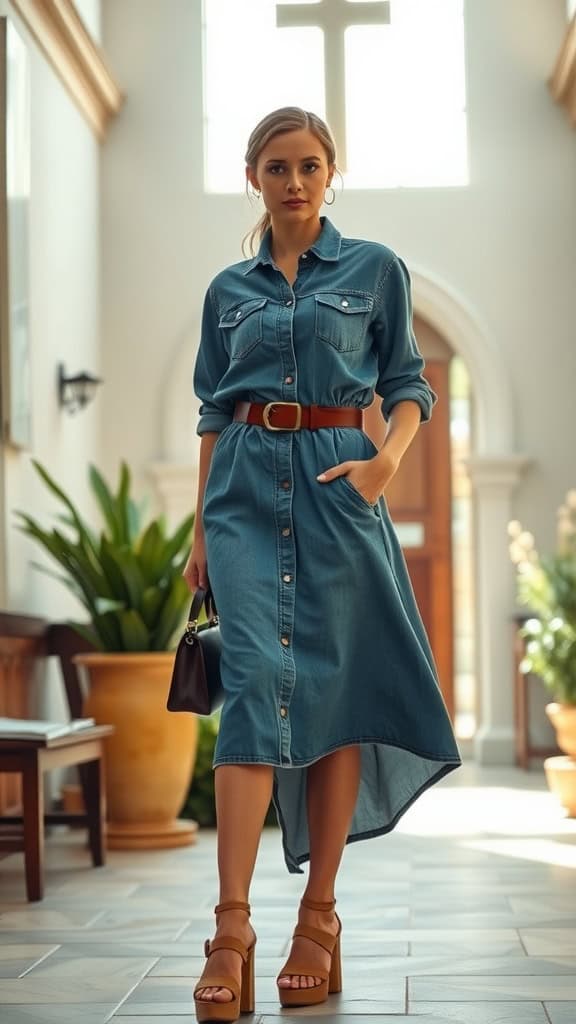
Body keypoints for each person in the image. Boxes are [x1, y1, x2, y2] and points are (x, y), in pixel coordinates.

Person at [184, 106, 462, 1022]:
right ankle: (231, 927)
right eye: (276, 167)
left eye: (308, 165)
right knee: (252, 690)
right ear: (254, 178)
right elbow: (213, 414)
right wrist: (198, 532)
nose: (294, 181)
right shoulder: (228, 290)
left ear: (331, 172)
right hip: (244, 499)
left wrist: (386, 465)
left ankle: (318, 915)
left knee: (338, 698)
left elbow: (407, 384)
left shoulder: (375, 269)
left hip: (343, 490)